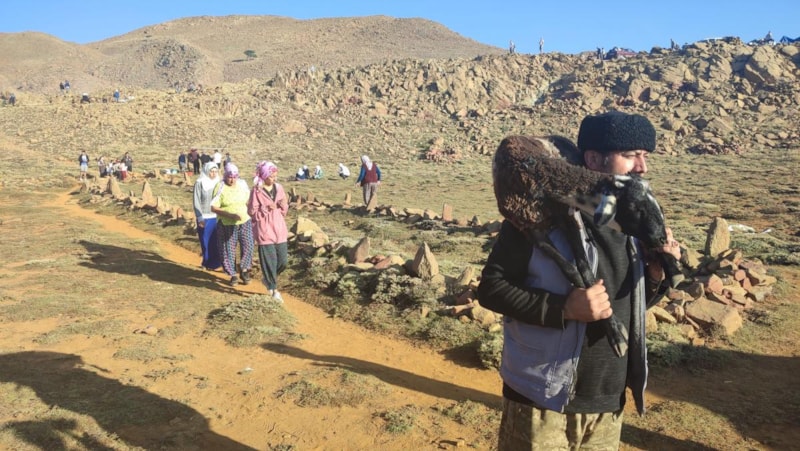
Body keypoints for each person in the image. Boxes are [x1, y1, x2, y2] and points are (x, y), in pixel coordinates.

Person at [478, 111, 682, 450]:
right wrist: (564, 308)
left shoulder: (630, 220)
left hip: (607, 401)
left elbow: (626, 305)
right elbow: (491, 289)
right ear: (594, 159)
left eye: (645, 156)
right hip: (541, 398)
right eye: (631, 155)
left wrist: (655, 275)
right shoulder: (539, 216)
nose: (642, 167)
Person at [248, 161, 289, 302]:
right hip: (264, 231)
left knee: (283, 262)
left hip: (279, 229)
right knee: (270, 262)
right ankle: (274, 291)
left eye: (275, 176)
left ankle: (268, 278)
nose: (274, 179)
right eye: (271, 176)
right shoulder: (256, 191)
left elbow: (284, 205)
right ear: (264, 176)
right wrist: (266, 209)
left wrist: (282, 208)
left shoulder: (279, 188)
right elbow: (252, 212)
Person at [210, 164, 254, 286]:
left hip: (245, 221)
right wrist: (230, 215)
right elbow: (214, 207)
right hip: (227, 223)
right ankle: (233, 274)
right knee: (228, 249)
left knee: (249, 245)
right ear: (225, 176)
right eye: (230, 177)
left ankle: (244, 270)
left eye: (234, 177)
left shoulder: (242, 184)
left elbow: (248, 200)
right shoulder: (220, 187)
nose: (232, 180)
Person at [193, 162, 223, 271]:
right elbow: (196, 200)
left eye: (215, 171)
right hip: (204, 217)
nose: (213, 174)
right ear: (206, 171)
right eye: (211, 171)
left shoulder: (219, 183)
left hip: (217, 216)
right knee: (205, 241)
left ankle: (216, 263)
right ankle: (206, 262)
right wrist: (199, 217)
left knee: (216, 241)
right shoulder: (200, 183)